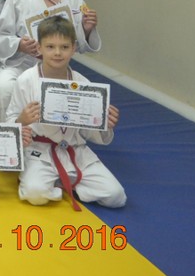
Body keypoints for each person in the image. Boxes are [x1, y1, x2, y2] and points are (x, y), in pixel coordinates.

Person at [8, 16, 126, 209]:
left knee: (116, 196)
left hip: (75, 150)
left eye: (64, 47)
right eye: (50, 47)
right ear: (39, 48)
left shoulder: (83, 84)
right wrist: (21, 120)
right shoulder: (26, 81)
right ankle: (56, 179)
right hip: (40, 151)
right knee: (35, 194)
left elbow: (90, 133)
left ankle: (62, 180)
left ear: (73, 48)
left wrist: (105, 125)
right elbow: (10, 121)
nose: (57, 53)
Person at [0, 0, 100, 122]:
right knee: (3, 88)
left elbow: (78, 46)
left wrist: (87, 30)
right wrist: (19, 44)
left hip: (57, 66)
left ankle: (59, 135)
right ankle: (9, 132)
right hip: (22, 63)